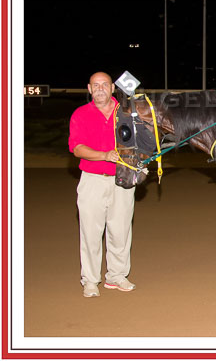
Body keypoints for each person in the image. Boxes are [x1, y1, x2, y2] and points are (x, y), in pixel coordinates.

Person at [68, 71, 136, 297]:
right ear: (89, 89)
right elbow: (78, 149)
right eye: (95, 85)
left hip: (122, 180)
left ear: (113, 88)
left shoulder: (127, 112)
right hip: (92, 181)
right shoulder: (80, 114)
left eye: (104, 84)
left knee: (121, 231)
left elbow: (143, 142)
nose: (100, 88)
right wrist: (104, 156)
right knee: (90, 233)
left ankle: (117, 276)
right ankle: (90, 280)